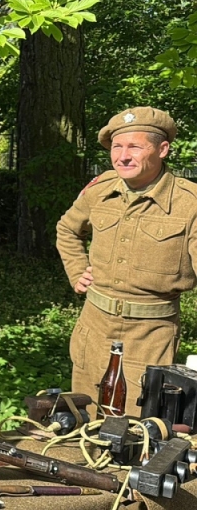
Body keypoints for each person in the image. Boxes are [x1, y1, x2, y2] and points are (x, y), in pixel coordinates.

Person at [55, 106, 197, 417]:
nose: (123, 156)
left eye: (134, 147)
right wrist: (77, 271)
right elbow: (67, 229)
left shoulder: (189, 203)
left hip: (150, 335)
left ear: (162, 149)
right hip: (94, 326)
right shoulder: (100, 190)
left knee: (133, 427)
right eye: (117, 147)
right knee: (82, 416)